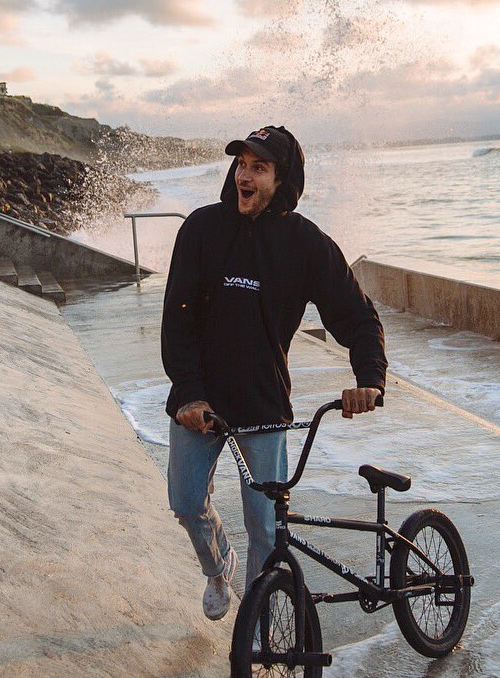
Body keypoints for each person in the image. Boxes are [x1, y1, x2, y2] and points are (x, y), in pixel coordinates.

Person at [162, 125, 387, 619]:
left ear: (280, 181)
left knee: (265, 527)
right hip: (198, 402)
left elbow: (356, 314)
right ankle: (219, 565)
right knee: (183, 501)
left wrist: (369, 377)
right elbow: (176, 321)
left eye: (258, 168)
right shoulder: (200, 230)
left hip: (263, 404)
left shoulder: (305, 244)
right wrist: (189, 395)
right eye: (241, 164)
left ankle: (258, 642)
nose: (244, 175)